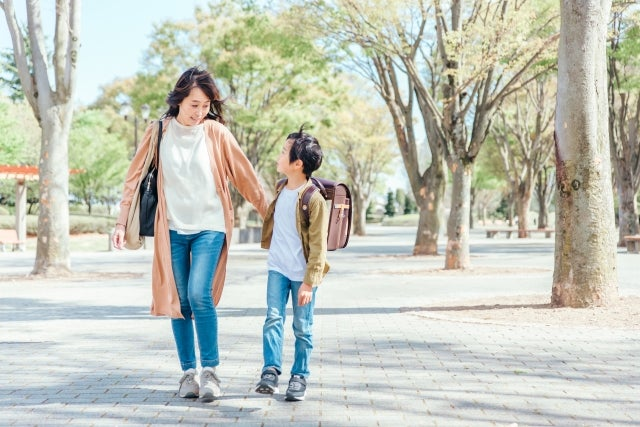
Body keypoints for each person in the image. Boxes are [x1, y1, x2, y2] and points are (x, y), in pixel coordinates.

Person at [112, 67, 268, 402]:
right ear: (179, 98)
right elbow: (133, 178)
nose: (200, 112)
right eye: (194, 104)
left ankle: (210, 371)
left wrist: (270, 214)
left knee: (200, 294)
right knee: (179, 302)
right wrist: (121, 222)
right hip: (171, 229)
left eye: (205, 105)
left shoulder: (215, 132)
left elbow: (245, 177)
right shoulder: (158, 131)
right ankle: (188, 374)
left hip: (210, 226)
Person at [255, 126, 330, 401]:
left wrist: (310, 282)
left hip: (303, 275)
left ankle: (300, 375)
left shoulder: (314, 199)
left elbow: (319, 246)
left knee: (302, 326)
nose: (279, 155)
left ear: (298, 164)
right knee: (273, 318)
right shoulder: (281, 188)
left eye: (284, 152)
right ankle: (271, 371)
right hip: (277, 268)